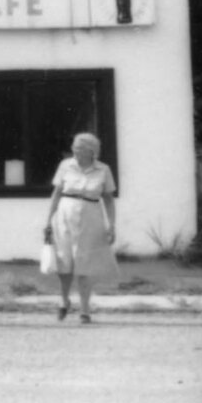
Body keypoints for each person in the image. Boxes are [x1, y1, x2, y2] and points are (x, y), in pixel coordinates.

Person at [43, 133, 119, 323]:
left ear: (91, 151)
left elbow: (108, 200)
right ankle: (64, 300)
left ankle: (85, 309)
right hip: (64, 216)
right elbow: (56, 194)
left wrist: (111, 225)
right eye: (74, 148)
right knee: (64, 260)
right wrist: (47, 221)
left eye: (79, 149)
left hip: (91, 217)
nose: (75, 152)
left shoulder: (103, 170)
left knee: (86, 262)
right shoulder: (65, 166)